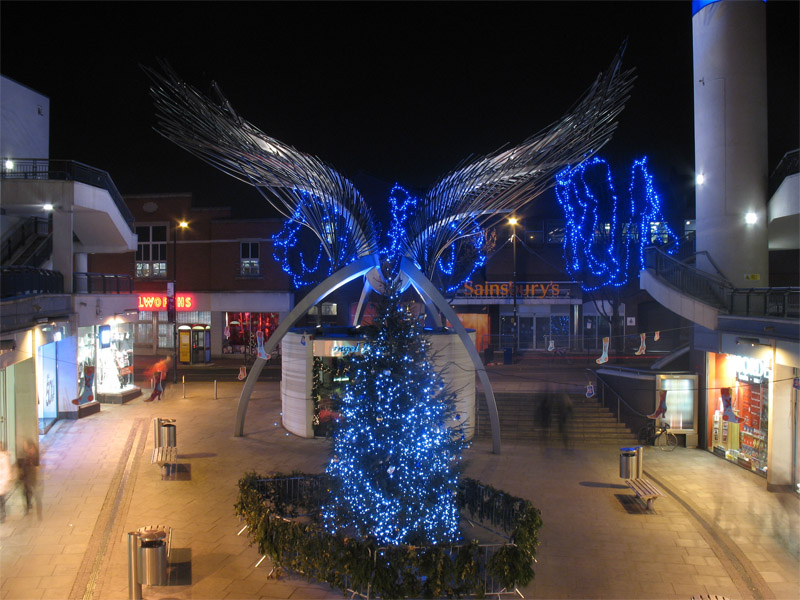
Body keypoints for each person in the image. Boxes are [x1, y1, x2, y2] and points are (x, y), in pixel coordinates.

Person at [18, 439, 39, 518]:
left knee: (27, 491)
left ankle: (28, 506)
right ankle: (28, 504)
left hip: (29, 476)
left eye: (25, 444)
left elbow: (32, 465)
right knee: (26, 491)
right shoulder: (26, 453)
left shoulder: (31, 454)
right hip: (27, 476)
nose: (24, 446)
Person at [0, 448, 15, 523]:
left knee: (1, 499)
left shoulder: (4, 457)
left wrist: (6, 480)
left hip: (2, 482)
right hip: (2, 482)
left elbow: (7, 470)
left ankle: (3, 514)